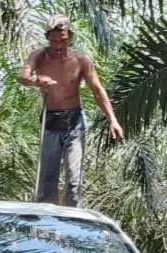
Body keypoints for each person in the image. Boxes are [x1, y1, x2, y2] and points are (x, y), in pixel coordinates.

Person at [18, 14, 124, 208]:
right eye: (54, 40)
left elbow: (98, 91)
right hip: (50, 121)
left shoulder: (81, 60)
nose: (58, 45)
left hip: (74, 122)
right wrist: (36, 81)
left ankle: (72, 223)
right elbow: (23, 77)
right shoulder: (39, 55)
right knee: (46, 182)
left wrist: (113, 120)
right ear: (47, 37)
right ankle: (44, 226)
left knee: (74, 181)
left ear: (70, 37)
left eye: (62, 40)